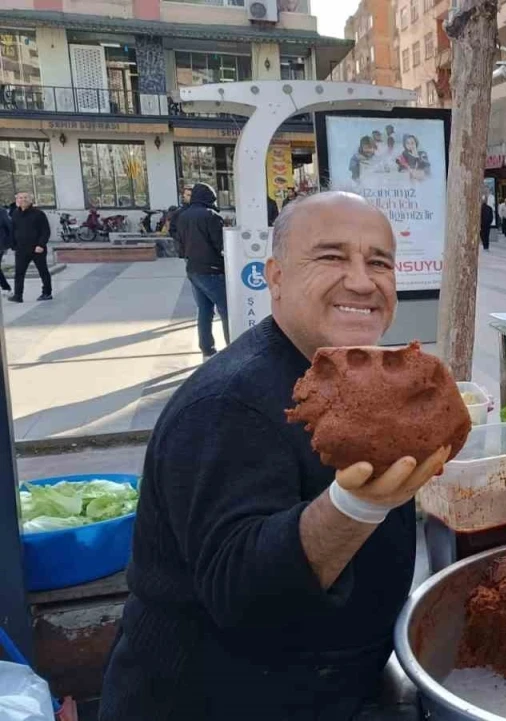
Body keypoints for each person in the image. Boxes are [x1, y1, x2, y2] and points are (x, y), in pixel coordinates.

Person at [100, 192, 450, 720]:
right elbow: (244, 597)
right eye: (331, 257)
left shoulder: (347, 375)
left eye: (379, 262)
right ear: (276, 277)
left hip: (338, 684)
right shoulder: (227, 406)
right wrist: (356, 507)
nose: (362, 282)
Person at [174, 183, 229, 358]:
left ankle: (207, 347)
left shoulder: (183, 216)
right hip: (212, 270)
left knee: (204, 311)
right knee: (226, 310)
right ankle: (232, 348)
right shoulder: (211, 216)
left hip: (192, 269)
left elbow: (179, 242)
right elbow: (221, 245)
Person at [9, 191, 52, 303]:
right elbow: (13, 230)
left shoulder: (38, 214)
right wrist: (13, 245)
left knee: (43, 271)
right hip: (21, 249)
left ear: (30, 200)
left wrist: (41, 245)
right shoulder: (15, 214)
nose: (23, 200)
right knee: (19, 273)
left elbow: (45, 231)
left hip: (37, 249)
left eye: (25, 197)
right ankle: (18, 296)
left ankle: (47, 293)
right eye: (20, 198)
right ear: (17, 200)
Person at [0, 198, 12, 292]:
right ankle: (5, 287)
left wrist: (8, 243)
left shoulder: (2, 212)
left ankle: (6, 287)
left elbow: (10, 227)